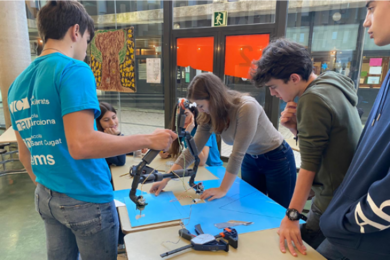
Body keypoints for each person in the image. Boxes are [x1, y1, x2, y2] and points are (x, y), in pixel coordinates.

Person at [7, 1, 176, 259]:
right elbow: (82, 144)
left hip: (45, 196)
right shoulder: (74, 69)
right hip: (85, 198)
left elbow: (24, 154)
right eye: (87, 40)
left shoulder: (17, 83)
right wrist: (149, 138)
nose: (86, 50)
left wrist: (52, 188)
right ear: (76, 31)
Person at [251, 38, 362, 256]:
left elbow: (308, 167)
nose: (273, 93)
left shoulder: (312, 100)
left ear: (294, 78)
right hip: (351, 189)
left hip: (332, 198)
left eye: (274, 87)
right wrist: (295, 129)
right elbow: (325, 145)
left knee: (301, 247)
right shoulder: (332, 80)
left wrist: (291, 216)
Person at [151, 73, 297, 209]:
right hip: (250, 158)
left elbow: (237, 154)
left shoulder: (246, 107)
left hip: (277, 158)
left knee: (278, 209)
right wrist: (165, 179)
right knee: (251, 206)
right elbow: (191, 152)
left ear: (214, 98)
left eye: (201, 106)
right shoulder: (209, 114)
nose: (200, 111)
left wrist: (223, 189)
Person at [318, 1, 390, 259]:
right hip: (348, 227)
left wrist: (348, 221)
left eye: (372, 8)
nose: (366, 21)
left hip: (364, 240)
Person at [96, 102, 125, 166]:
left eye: (114, 117)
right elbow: (120, 161)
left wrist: (137, 149)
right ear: (98, 122)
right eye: (106, 120)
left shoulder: (109, 134)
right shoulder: (99, 141)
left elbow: (124, 149)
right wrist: (118, 136)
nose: (112, 123)